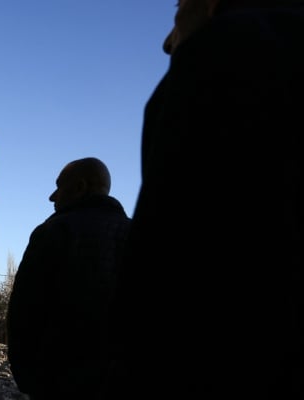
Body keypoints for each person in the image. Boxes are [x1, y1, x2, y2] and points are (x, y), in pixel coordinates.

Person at [108, 1, 304, 398]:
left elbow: (172, 269)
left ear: (212, 5)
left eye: (178, 11)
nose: (166, 43)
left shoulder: (224, 59)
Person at [6, 157, 131, 400]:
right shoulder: (134, 232)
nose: (53, 197)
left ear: (80, 188)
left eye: (59, 187)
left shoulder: (55, 232)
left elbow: (24, 313)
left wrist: (28, 378)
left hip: (59, 381)